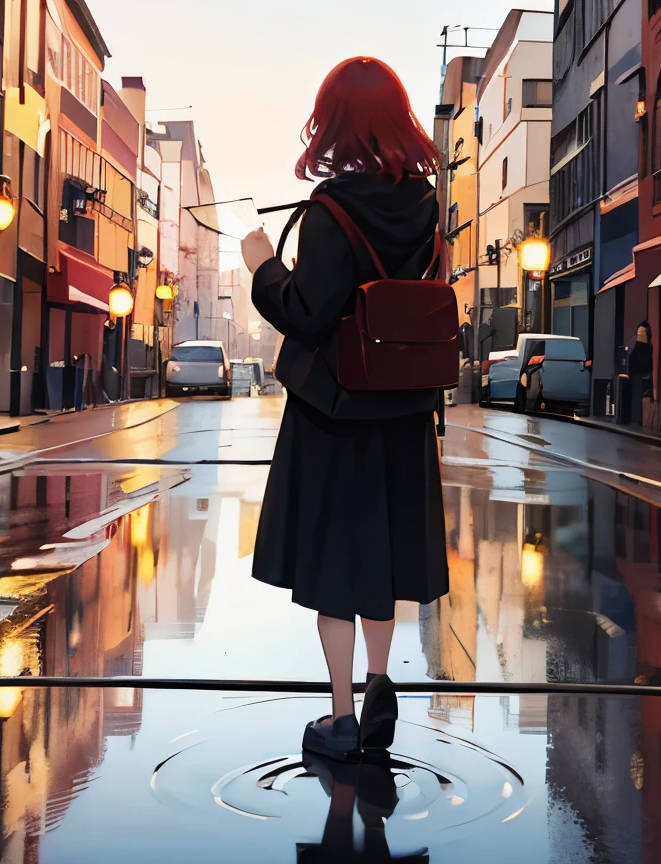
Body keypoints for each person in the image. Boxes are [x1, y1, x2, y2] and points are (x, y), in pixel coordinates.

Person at [241, 57, 450, 760]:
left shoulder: (330, 209)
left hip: (336, 409)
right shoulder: (426, 204)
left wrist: (262, 265)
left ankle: (340, 717)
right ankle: (381, 684)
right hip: (403, 406)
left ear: (333, 122)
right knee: (384, 558)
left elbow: (307, 311)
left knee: (337, 564)